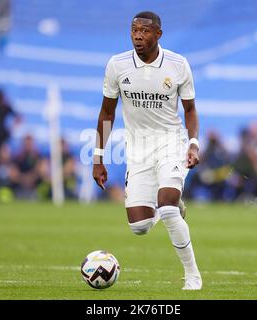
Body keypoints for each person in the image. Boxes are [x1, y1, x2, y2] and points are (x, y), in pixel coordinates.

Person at [92, 11, 202, 290]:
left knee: (165, 207)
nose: (138, 36)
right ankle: (173, 205)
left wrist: (192, 143)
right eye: (134, 30)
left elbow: (189, 110)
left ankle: (192, 275)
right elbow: (107, 112)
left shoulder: (178, 65)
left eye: (145, 31)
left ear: (158, 35)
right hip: (137, 150)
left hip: (170, 143)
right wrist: (98, 158)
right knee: (139, 227)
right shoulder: (117, 65)